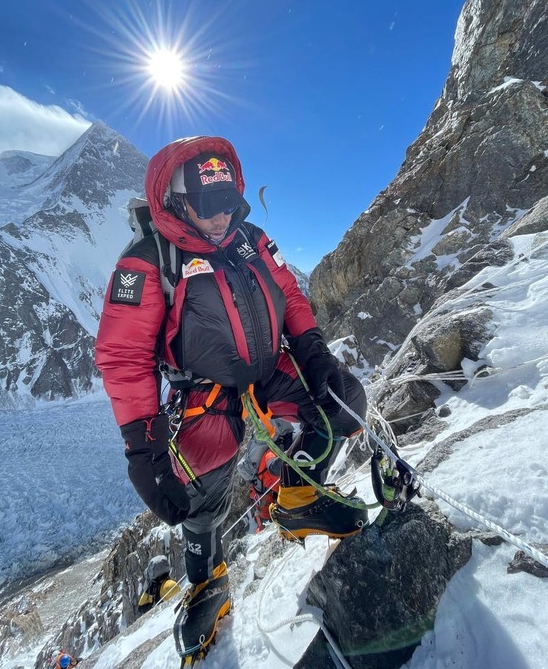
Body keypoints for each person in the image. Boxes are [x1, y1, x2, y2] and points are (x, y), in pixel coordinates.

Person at [95, 136, 368, 664]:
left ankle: (298, 495)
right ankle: (207, 581)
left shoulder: (251, 238)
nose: (221, 220)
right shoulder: (149, 259)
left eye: (229, 205)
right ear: (176, 202)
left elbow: (288, 294)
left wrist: (316, 356)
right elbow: (124, 357)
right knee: (201, 480)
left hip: (272, 365)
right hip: (204, 386)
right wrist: (142, 449)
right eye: (207, 208)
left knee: (337, 407)